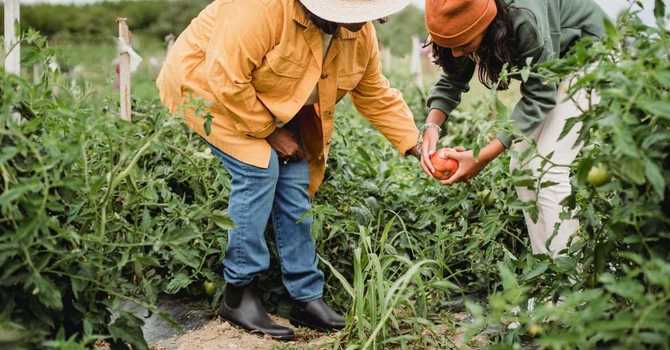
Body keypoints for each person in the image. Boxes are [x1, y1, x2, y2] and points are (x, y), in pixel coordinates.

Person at [156, 0, 420, 340]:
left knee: (296, 175)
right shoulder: (260, 9)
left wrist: (415, 145)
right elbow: (226, 78)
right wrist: (271, 133)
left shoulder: (359, 33)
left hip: (267, 99)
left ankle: (305, 296)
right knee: (259, 169)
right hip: (207, 89)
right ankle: (239, 292)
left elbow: (375, 94)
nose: (363, 22)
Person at [419, 0, 607, 256]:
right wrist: (432, 126)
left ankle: (569, 287)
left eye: (463, 45)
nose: (456, 54)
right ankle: (548, 276)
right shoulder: (467, 14)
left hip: (591, 57)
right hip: (555, 67)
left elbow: (540, 93)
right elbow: (453, 76)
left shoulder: (523, 16)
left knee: (548, 170)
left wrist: (480, 156)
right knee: (521, 166)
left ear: (487, 26)